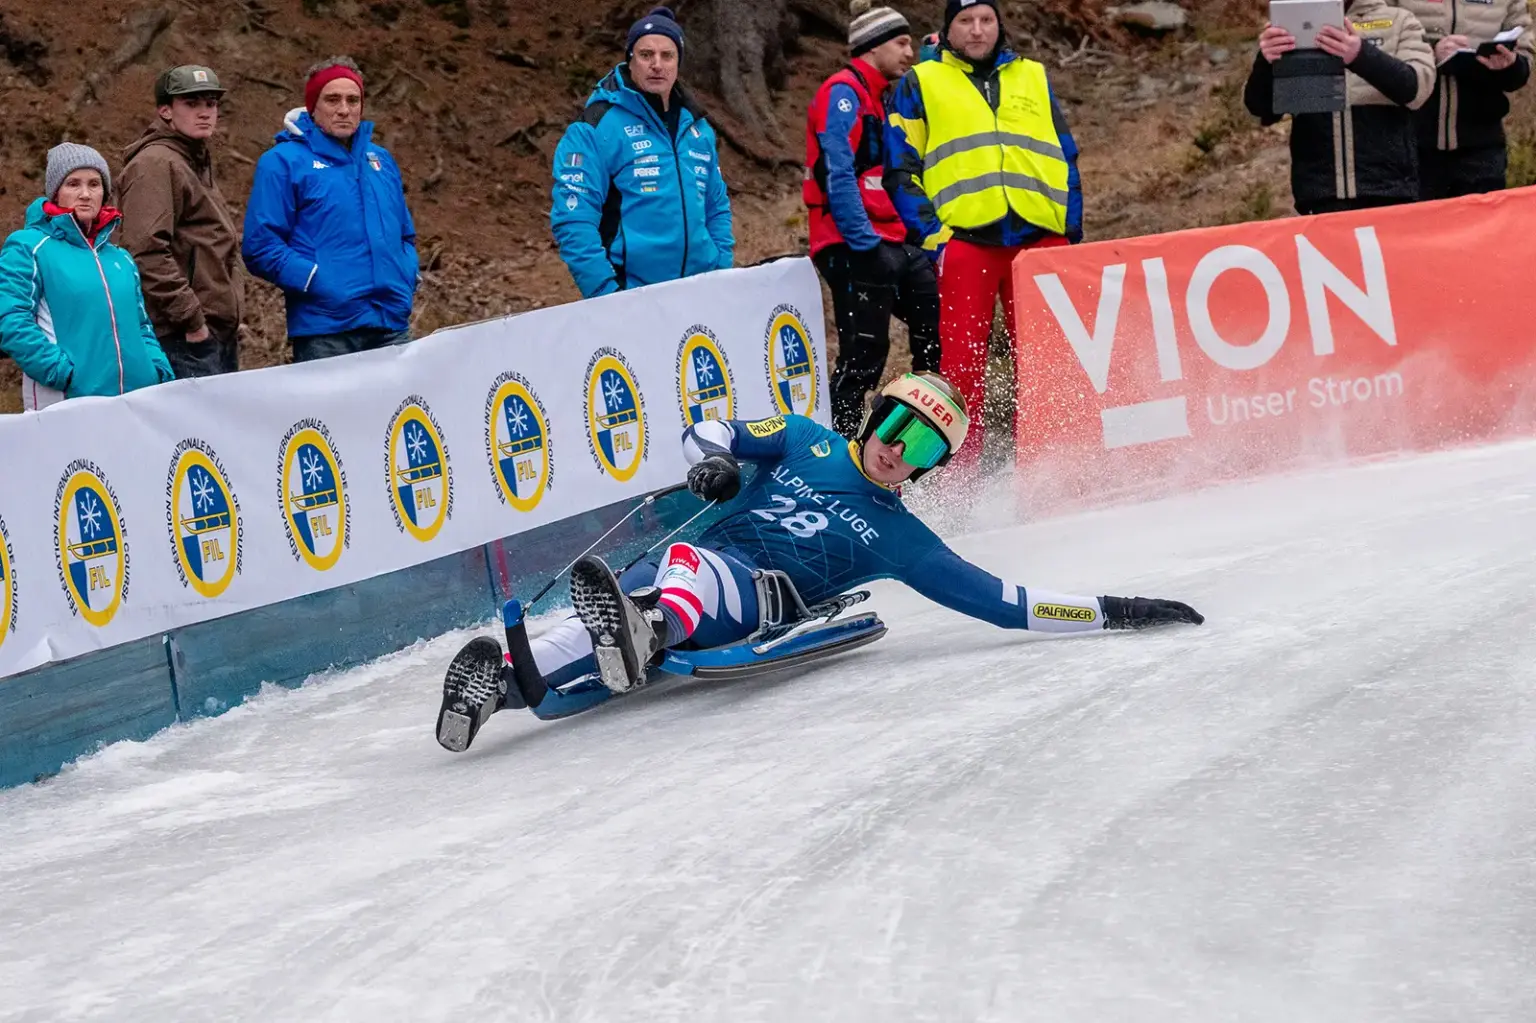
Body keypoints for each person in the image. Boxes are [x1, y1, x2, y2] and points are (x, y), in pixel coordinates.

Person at [437, 372, 1203, 750]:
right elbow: (706, 431)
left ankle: (647, 632)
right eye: (898, 424)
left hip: (755, 599)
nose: (901, 447)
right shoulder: (805, 437)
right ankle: (503, 691)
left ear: (930, 468)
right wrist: (710, 466)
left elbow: (1008, 601)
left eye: (926, 446)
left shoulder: (902, 540)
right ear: (873, 415)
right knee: (580, 623)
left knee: (681, 567)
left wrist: (1115, 611)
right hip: (672, 574)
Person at [885, 0, 1083, 474]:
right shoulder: (922, 83)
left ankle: (1059, 465)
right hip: (968, 243)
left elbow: (1066, 154)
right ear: (948, 29)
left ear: (999, 24)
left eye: (986, 20)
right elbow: (900, 169)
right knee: (962, 368)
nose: (977, 30)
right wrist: (936, 239)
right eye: (965, 21)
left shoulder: (1032, 75)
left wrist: (1070, 232)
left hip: (1040, 242)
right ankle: (960, 478)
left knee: (1049, 362)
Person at [805, 1, 942, 438]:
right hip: (851, 243)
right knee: (865, 354)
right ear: (872, 47)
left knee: (932, 328)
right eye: (901, 43)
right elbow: (837, 171)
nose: (909, 53)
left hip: (893, 239)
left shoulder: (883, 96)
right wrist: (863, 243)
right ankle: (836, 449)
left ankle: (921, 436)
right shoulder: (842, 92)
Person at [242, 56, 418, 363]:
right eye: (332, 99)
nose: (344, 109)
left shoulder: (381, 160)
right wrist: (317, 281)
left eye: (353, 100)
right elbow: (260, 246)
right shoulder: (283, 162)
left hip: (391, 324)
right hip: (327, 330)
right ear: (313, 106)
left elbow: (405, 235)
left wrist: (406, 274)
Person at [550, 6, 734, 299]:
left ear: (678, 63)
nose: (657, 64)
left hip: (702, 296)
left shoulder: (698, 128)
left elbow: (716, 206)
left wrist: (722, 269)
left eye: (667, 55)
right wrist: (605, 293)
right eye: (646, 55)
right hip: (633, 299)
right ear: (630, 60)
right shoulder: (596, 126)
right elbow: (573, 219)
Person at [0, 143, 172, 411]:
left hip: (136, 403)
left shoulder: (121, 258)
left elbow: (141, 325)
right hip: (67, 403)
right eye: (73, 184)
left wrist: (157, 368)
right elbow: (11, 320)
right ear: (55, 191)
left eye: (94, 184)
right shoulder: (27, 247)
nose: (85, 194)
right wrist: (61, 373)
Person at [1244, 1, 1436, 214]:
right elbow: (1260, 109)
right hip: (1318, 197)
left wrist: (1360, 55)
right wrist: (1265, 62)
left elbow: (1418, 89)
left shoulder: (1401, 20)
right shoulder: (1291, 24)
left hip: (1389, 192)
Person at [118, 65, 245, 379]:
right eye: (192, 104)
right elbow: (145, 252)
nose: (205, 113)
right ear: (165, 110)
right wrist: (193, 320)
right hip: (183, 339)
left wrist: (231, 314)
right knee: (196, 430)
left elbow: (211, 245)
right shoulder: (155, 164)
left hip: (215, 335)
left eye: (210, 104)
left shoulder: (192, 159)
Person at [1398, 0, 1532, 199]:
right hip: (1409, 145)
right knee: (1415, 228)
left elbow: (1523, 62)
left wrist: (1511, 64)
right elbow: (1376, 41)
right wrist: (1432, 53)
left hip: (1482, 149)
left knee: (1485, 229)